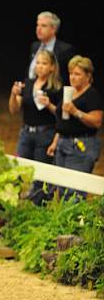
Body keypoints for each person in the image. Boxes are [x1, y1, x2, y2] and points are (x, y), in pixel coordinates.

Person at [10, 49, 62, 204]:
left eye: (44, 63)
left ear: (52, 67)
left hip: (45, 134)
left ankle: (37, 208)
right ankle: (13, 204)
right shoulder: (28, 83)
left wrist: (50, 105)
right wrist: (13, 94)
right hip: (26, 132)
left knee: (40, 175)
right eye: (38, 63)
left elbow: (63, 116)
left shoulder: (56, 88)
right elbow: (14, 109)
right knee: (18, 170)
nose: (40, 66)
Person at [47, 55, 103, 200]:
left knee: (74, 192)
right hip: (62, 143)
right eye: (71, 73)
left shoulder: (92, 96)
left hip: (81, 145)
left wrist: (76, 112)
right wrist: (55, 142)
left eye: (77, 74)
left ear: (88, 75)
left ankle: (75, 221)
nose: (73, 77)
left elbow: (97, 121)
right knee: (62, 188)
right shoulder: (69, 92)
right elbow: (63, 122)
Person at [27, 11, 75, 84]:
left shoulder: (65, 50)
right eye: (37, 25)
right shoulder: (34, 46)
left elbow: (66, 78)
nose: (38, 29)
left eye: (43, 26)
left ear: (53, 29)